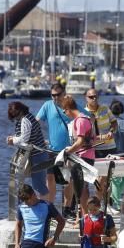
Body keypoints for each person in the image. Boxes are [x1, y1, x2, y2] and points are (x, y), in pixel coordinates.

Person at [36, 81, 74, 217]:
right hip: (51, 150)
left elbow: (88, 118)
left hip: (69, 150)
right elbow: (36, 121)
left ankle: (67, 208)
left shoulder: (71, 105)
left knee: (67, 180)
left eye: (58, 95)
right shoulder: (47, 105)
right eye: (53, 95)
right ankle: (49, 208)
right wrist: (36, 139)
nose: (55, 98)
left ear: (64, 93)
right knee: (50, 178)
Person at [61, 95, 96, 215]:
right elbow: (92, 139)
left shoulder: (80, 121)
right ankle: (81, 216)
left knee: (81, 190)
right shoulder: (85, 119)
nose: (65, 113)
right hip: (86, 156)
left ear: (68, 108)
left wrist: (67, 152)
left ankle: (84, 216)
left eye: (64, 110)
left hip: (83, 158)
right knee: (80, 188)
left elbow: (80, 142)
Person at [7, 101, 49, 199]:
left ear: (19, 112)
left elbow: (24, 140)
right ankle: (44, 206)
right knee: (39, 185)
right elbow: (25, 136)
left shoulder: (25, 120)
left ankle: (46, 209)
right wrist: (14, 138)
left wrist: (12, 140)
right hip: (39, 154)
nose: (15, 119)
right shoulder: (30, 116)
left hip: (37, 156)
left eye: (15, 116)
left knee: (39, 186)